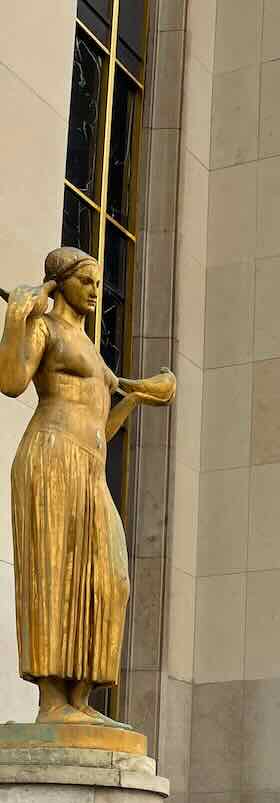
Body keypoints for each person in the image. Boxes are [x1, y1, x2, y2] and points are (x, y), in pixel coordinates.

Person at [0, 246, 175, 721]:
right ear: (61, 284)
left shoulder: (89, 347)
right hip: (52, 455)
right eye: (87, 282)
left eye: (99, 283)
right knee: (54, 574)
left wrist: (135, 398)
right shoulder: (45, 327)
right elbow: (11, 382)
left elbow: (100, 423)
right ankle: (53, 702)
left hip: (90, 467)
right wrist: (18, 316)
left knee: (109, 580)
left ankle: (80, 698)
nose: (96, 291)